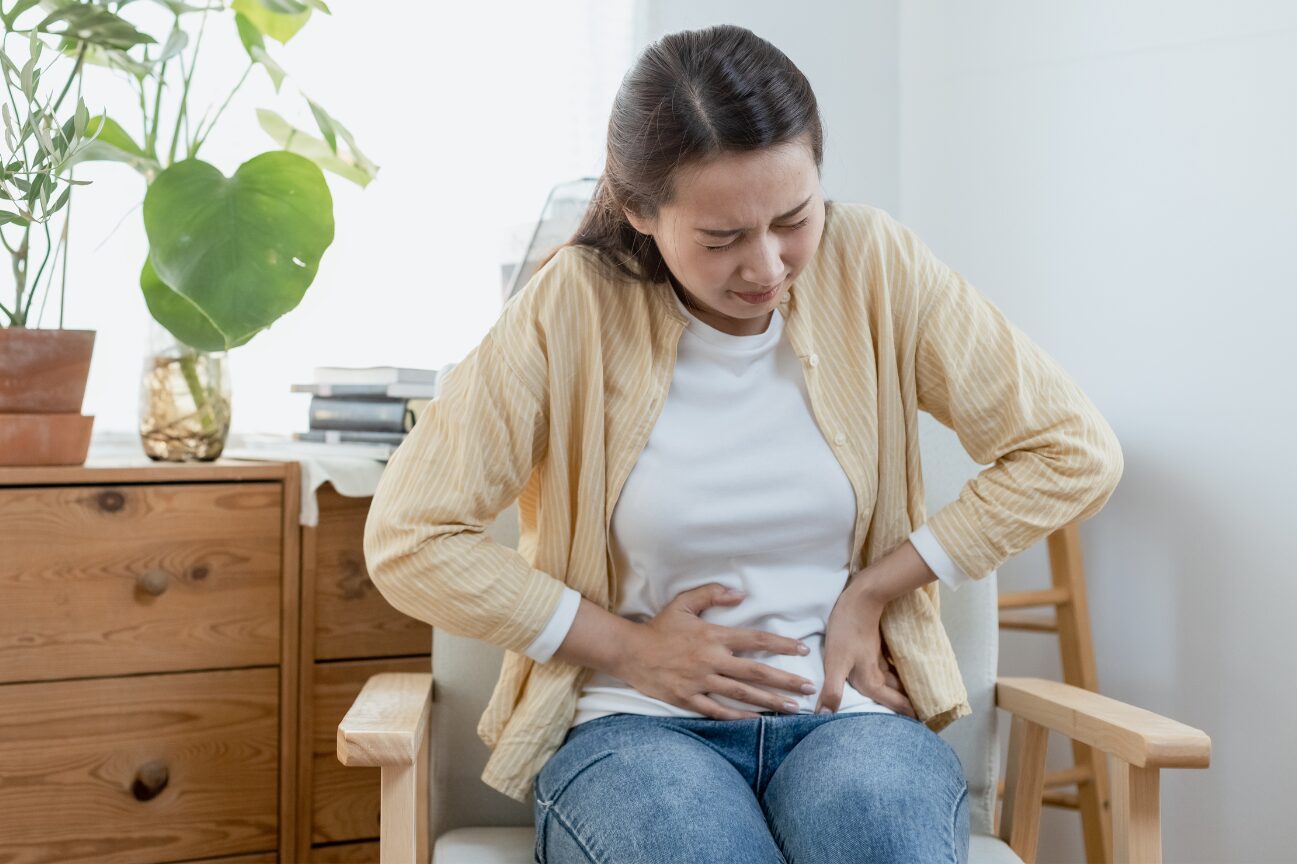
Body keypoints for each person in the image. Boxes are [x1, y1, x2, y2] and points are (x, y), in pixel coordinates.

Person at [364, 23, 1123, 864]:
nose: (766, 266)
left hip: (851, 724)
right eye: (721, 238)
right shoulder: (570, 307)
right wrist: (628, 647)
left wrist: (876, 586)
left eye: (794, 218)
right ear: (638, 212)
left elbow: (1072, 448)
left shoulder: (874, 264)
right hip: (634, 732)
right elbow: (410, 537)